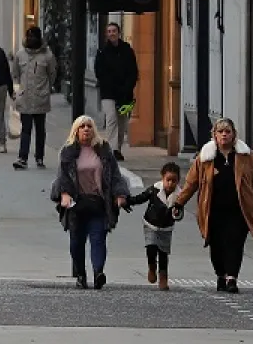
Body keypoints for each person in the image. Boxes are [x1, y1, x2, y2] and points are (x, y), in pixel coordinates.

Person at [171, 118, 253, 293]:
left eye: (227, 131)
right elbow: (191, 183)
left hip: (239, 209)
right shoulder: (205, 158)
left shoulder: (246, 155)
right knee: (217, 245)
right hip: (213, 210)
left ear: (233, 134)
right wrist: (179, 202)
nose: (224, 135)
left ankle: (232, 278)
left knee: (235, 243)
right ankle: (221, 274)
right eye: (220, 131)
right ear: (214, 135)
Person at [49, 115, 130, 289]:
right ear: (76, 131)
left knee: (98, 238)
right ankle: (80, 274)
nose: (86, 129)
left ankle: (98, 272)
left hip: (98, 203)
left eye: (89, 126)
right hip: (76, 205)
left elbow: (115, 175)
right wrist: (64, 194)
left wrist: (120, 195)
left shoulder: (103, 150)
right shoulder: (68, 151)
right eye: (82, 126)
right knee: (76, 243)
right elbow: (62, 177)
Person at [128, 161, 183, 290]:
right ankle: (152, 266)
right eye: (168, 180)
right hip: (150, 224)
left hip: (166, 227)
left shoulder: (180, 196)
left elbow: (180, 213)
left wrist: (176, 213)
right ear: (162, 178)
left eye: (173, 181)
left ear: (178, 181)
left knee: (163, 253)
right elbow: (141, 198)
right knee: (151, 247)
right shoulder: (154, 189)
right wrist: (128, 201)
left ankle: (163, 277)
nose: (170, 184)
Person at [11, 26, 57, 170]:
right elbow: (16, 73)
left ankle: (39, 157)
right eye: (28, 36)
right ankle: (22, 158)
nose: (31, 39)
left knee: (40, 130)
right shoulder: (20, 54)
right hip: (25, 98)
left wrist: (46, 89)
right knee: (26, 128)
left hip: (40, 98)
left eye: (34, 37)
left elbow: (52, 74)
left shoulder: (47, 55)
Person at [94, 21, 139, 161]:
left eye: (114, 31)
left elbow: (133, 71)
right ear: (106, 34)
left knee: (122, 121)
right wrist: (109, 84)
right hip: (108, 92)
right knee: (111, 118)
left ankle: (117, 148)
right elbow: (99, 72)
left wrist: (127, 87)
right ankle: (112, 149)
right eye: (109, 31)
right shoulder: (102, 51)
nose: (112, 33)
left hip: (125, 93)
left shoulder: (127, 50)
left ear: (119, 33)